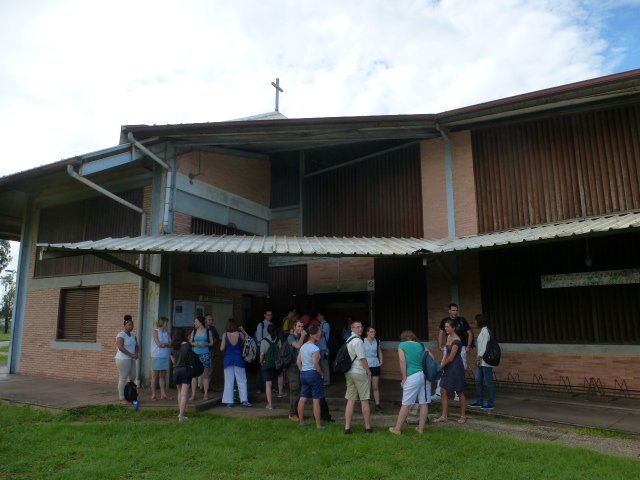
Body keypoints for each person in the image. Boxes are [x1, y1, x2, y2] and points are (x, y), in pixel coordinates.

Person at [389, 330, 431, 434]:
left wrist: (404, 377)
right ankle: (420, 429)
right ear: (413, 337)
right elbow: (432, 358)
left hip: (412, 376)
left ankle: (397, 429)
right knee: (424, 403)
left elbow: (402, 361)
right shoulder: (421, 345)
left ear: (403, 338)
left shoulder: (402, 345)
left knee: (406, 403)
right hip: (424, 376)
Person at [434, 303, 472, 401]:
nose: (455, 312)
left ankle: (457, 394)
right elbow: (441, 333)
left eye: (456, 310)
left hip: (461, 347)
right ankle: (438, 393)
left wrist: (468, 346)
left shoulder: (461, 320)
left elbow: (469, 333)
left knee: (460, 368)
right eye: (453, 310)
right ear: (449, 311)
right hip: (448, 346)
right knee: (444, 367)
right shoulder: (445, 321)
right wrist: (440, 346)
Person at [435, 318, 468, 424]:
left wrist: (440, 366)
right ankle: (444, 415)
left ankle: (463, 416)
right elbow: (446, 355)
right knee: (443, 390)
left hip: (455, 368)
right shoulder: (449, 337)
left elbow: (451, 358)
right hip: (448, 367)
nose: (446, 328)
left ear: (453, 328)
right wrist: (443, 364)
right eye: (445, 327)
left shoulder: (457, 341)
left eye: (448, 327)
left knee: (459, 391)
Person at [343, 320, 373, 434]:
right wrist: (368, 371)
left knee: (350, 400)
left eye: (361, 327)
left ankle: (347, 427)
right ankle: (368, 427)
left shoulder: (348, 340)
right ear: (352, 329)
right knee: (364, 400)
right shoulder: (358, 341)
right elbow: (362, 358)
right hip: (359, 372)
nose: (360, 329)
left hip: (349, 372)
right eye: (357, 327)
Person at [296, 325, 326, 430]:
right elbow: (315, 363)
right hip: (313, 374)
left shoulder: (303, 346)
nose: (319, 336)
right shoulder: (315, 348)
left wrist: (302, 371)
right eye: (318, 334)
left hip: (303, 374)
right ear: (312, 335)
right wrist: (321, 373)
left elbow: (298, 362)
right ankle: (318, 425)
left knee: (302, 398)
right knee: (316, 400)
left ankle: (301, 422)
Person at [220, 319, 252, 407]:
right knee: (242, 380)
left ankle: (229, 401)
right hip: (239, 359)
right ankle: (244, 400)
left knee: (229, 381)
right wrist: (242, 329)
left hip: (228, 359)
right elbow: (249, 339)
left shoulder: (225, 335)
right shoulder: (241, 334)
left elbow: (222, 348)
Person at [470, 314, 496, 410]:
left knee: (488, 381)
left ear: (480, 322)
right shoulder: (482, 331)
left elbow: (484, 347)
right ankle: (479, 400)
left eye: (476, 321)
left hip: (485, 361)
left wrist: (478, 357)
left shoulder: (485, 332)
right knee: (478, 380)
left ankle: (490, 402)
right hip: (481, 361)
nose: (475, 323)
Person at [286, 319, 307, 420]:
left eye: (302, 327)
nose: (300, 328)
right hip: (292, 367)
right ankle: (292, 413)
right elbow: (297, 346)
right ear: (294, 327)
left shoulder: (300, 337)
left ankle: (298, 412)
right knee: (294, 389)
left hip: (300, 366)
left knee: (299, 390)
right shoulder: (291, 337)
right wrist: (303, 336)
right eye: (298, 326)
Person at [115, 315, 138, 404]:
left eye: (132, 325)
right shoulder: (121, 335)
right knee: (123, 378)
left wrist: (136, 353)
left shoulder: (133, 334)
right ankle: (122, 398)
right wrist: (131, 354)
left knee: (133, 376)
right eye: (129, 325)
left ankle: (130, 393)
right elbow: (120, 347)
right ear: (124, 325)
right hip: (122, 359)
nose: (131, 326)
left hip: (131, 358)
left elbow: (136, 345)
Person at [189, 316, 213, 401]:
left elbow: (211, 343)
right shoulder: (194, 331)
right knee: (194, 375)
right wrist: (194, 344)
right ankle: (193, 395)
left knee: (205, 375)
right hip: (195, 354)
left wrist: (206, 344)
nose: (194, 323)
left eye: (196, 321)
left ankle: (205, 394)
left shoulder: (208, 331)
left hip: (205, 354)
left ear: (200, 322)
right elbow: (190, 342)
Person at [170, 327, 192, 422]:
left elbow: (173, 361)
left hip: (176, 370)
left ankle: (180, 413)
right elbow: (190, 358)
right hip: (185, 370)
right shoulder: (187, 345)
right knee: (184, 394)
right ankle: (181, 416)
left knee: (179, 392)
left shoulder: (173, 346)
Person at [150, 316, 172, 401]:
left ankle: (163, 394)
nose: (167, 325)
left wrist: (165, 344)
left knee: (163, 375)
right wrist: (167, 344)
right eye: (166, 323)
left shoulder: (166, 333)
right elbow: (159, 344)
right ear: (162, 323)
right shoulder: (155, 332)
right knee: (155, 376)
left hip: (165, 355)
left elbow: (171, 343)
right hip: (157, 355)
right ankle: (154, 394)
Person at [259, 324, 280, 410]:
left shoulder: (264, 341)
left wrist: (261, 362)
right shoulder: (278, 340)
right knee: (275, 381)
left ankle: (270, 404)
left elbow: (262, 354)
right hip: (276, 364)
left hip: (267, 364)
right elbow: (280, 352)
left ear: (267, 331)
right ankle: (280, 392)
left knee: (268, 384)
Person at [363, 326, 383, 412]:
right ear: (367, 332)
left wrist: (381, 361)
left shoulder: (377, 341)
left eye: (374, 332)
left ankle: (377, 404)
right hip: (366, 364)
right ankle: (365, 405)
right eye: (371, 332)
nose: (373, 333)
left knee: (375, 386)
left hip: (375, 364)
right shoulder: (362, 341)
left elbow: (379, 351)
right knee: (367, 386)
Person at [254, 310, 273, 394]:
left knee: (269, 367)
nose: (269, 316)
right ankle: (259, 387)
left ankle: (268, 387)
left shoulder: (272, 324)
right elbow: (259, 338)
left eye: (271, 315)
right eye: (268, 315)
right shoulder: (260, 325)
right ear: (264, 315)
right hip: (262, 348)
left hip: (270, 349)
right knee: (261, 368)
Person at [203, 313, 220, 392]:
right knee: (202, 369)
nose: (211, 321)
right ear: (205, 320)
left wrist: (213, 342)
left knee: (209, 369)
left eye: (212, 319)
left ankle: (207, 386)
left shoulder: (213, 328)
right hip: (202, 351)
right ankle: (201, 386)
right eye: (209, 319)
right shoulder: (201, 328)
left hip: (210, 350)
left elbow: (217, 338)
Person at [318, 311, 331, 386]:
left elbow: (321, 334)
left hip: (324, 348)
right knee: (320, 365)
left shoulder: (326, 325)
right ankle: (322, 380)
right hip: (319, 348)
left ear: (322, 316)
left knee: (324, 365)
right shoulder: (321, 325)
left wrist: (315, 329)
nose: (318, 317)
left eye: (319, 316)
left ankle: (326, 381)